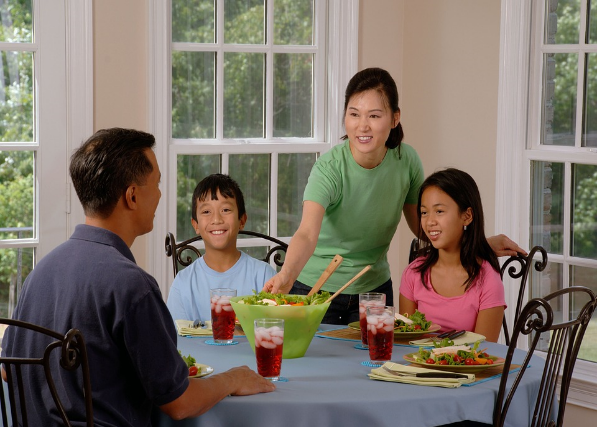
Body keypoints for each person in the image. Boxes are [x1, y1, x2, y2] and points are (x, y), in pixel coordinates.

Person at [1, 128, 274, 426]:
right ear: (132, 196)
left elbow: (8, 369)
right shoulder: (131, 286)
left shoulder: (40, 273)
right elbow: (180, 403)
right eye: (156, 184)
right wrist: (232, 379)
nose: (158, 194)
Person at [263, 67, 524, 325]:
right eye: (354, 114)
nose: (362, 125)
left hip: (373, 291)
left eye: (374, 115)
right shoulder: (329, 169)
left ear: (395, 118)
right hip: (316, 288)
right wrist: (286, 276)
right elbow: (307, 234)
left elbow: (425, 229)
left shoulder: (406, 160)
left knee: (376, 365)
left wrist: (478, 243)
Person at [399, 168, 506, 342]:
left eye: (439, 211)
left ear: (467, 216)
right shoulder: (413, 273)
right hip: (415, 367)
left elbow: (484, 353)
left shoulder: (488, 281)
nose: (430, 221)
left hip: (466, 368)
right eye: (424, 212)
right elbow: (404, 342)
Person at [167, 173, 276, 322]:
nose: (217, 219)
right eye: (206, 212)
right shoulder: (183, 283)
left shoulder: (264, 276)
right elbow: (175, 341)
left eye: (226, 210)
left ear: (242, 220)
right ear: (196, 225)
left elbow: (274, 330)